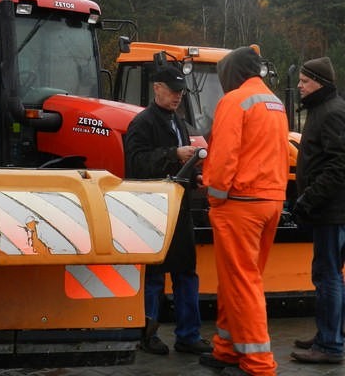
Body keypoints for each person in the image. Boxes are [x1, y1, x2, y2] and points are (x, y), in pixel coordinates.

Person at [199, 46, 288, 376]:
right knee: (240, 280)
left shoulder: (234, 101)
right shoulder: (274, 103)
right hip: (271, 202)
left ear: (231, 74)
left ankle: (259, 364)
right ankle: (227, 347)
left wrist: (214, 195)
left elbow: (223, 157)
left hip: (240, 206)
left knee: (242, 282)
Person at [124, 64, 212, 356]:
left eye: (181, 92)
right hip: (154, 210)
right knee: (154, 276)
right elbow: (136, 164)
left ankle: (189, 335)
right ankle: (148, 335)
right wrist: (173, 154)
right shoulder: (143, 123)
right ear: (157, 88)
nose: (177, 97)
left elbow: (175, 164)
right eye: (173, 91)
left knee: (186, 272)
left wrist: (192, 176)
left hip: (178, 209)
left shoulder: (178, 122)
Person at [289, 56, 345, 364]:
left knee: (328, 276)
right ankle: (329, 334)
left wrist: (307, 200)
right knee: (330, 274)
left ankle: (330, 345)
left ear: (319, 83)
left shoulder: (331, 113)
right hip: (330, 211)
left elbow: (338, 165)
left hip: (331, 212)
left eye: (304, 81)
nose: (299, 86)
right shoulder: (324, 110)